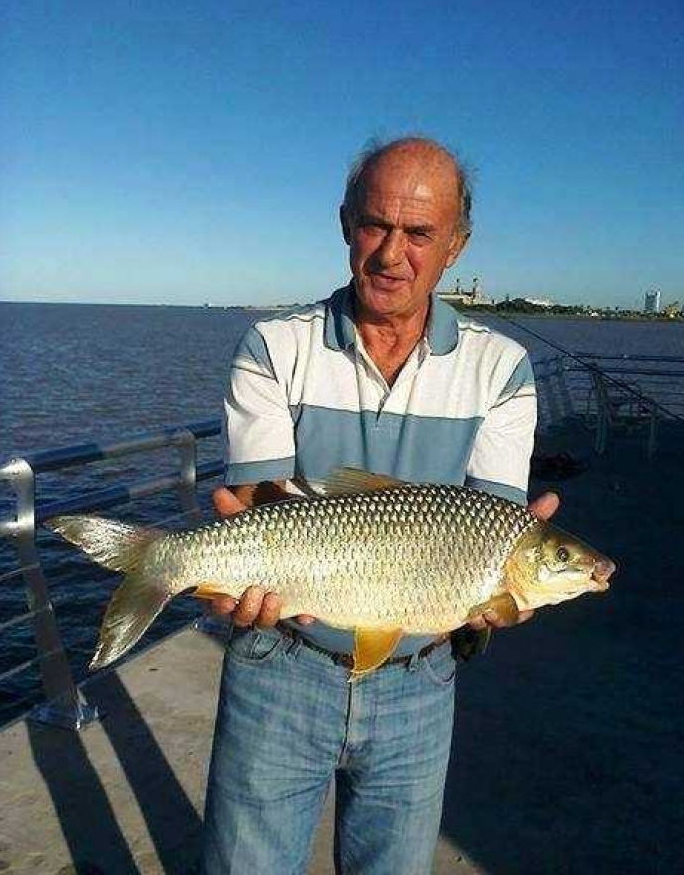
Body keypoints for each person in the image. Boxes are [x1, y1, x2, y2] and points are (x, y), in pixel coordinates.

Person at [199, 136, 559, 875]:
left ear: (455, 244)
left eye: (419, 233)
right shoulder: (272, 346)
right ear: (344, 224)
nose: (392, 253)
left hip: (420, 681)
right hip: (280, 662)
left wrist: (505, 593)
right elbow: (265, 505)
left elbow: (487, 529)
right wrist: (224, 569)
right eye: (375, 225)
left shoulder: (502, 369)